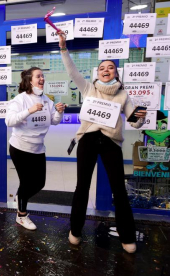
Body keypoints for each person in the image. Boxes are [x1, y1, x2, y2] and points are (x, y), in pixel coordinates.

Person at [57, 30, 147, 253]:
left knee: (119, 190)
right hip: (88, 139)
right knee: (82, 187)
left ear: (116, 72)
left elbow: (133, 122)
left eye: (110, 67)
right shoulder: (89, 88)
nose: (106, 70)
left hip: (111, 142)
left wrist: (140, 119)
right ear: (97, 72)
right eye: (102, 68)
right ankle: (75, 231)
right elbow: (72, 70)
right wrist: (63, 47)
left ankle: (127, 236)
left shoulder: (123, 95)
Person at [5, 67, 65, 230]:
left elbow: (54, 121)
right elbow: (9, 121)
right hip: (20, 148)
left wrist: (59, 112)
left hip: (38, 148)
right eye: (38, 76)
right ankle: (21, 216)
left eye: (43, 76)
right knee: (26, 182)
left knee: (39, 183)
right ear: (30, 80)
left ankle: (20, 197)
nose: (42, 79)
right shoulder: (20, 99)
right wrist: (29, 110)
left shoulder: (47, 100)